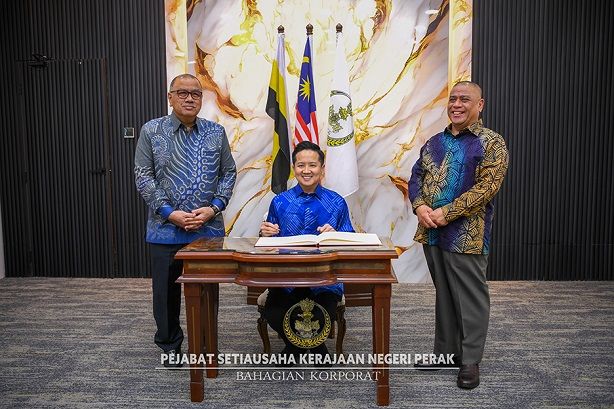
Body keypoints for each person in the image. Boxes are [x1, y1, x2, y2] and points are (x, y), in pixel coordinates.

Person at [408, 81, 509, 389]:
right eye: (453, 99)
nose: (456, 104)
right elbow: (416, 176)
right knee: (445, 294)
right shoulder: (434, 142)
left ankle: (469, 360)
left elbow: (487, 188)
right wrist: (419, 206)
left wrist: (447, 212)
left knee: (470, 298)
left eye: (465, 99)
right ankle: (446, 354)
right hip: (432, 233)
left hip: (466, 235)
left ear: (480, 105)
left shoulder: (491, 142)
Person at [134, 74, 236, 367]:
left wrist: (214, 208)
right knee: (165, 293)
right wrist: (169, 213)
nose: (190, 98)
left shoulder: (216, 132)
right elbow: (144, 176)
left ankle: (204, 344)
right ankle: (169, 346)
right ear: (170, 97)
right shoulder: (152, 131)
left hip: (206, 230)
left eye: (196, 93)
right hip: (165, 229)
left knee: (206, 291)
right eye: (182, 93)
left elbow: (228, 172)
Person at [259, 141, 354, 365]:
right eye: (301, 165)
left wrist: (336, 234)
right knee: (274, 312)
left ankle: (295, 349)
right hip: (286, 278)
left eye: (312, 165)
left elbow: (351, 241)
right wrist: (264, 232)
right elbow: (267, 244)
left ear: (322, 169)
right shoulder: (280, 202)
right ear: (294, 168)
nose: (306, 170)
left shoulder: (337, 202)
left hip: (325, 279)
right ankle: (313, 346)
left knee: (321, 313)